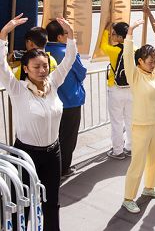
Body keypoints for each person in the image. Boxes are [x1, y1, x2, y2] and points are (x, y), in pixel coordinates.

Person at [0, 14, 76, 231]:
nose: (42, 71)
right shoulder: (18, 89)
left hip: (53, 153)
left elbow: (69, 59)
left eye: (45, 66)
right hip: (25, 154)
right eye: (36, 67)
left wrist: (70, 34)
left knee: (51, 203)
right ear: (25, 69)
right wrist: (3, 35)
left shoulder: (53, 83)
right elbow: (1, 66)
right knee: (21, 204)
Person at [122, 19, 155, 214]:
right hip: (140, 126)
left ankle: (149, 188)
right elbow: (127, 56)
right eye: (149, 61)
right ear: (140, 61)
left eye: (154, 61)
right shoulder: (135, 75)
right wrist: (130, 34)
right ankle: (128, 198)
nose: (153, 64)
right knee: (138, 163)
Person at [45, 20, 87, 178]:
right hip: (71, 101)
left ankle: (52, 168)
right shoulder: (68, 52)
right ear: (60, 37)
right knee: (68, 138)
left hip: (51, 102)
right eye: (67, 34)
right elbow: (81, 73)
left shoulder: (43, 51)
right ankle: (63, 169)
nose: (69, 37)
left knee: (53, 138)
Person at [100, 21, 132, 159]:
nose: (112, 36)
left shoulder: (114, 50)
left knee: (117, 121)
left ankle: (118, 151)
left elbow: (102, 46)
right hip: (131, 89)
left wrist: (106, 31)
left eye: (114, 34)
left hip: (116, 88)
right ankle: (131, 147)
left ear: (120, 37)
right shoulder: (134, 49)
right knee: (130, 120)